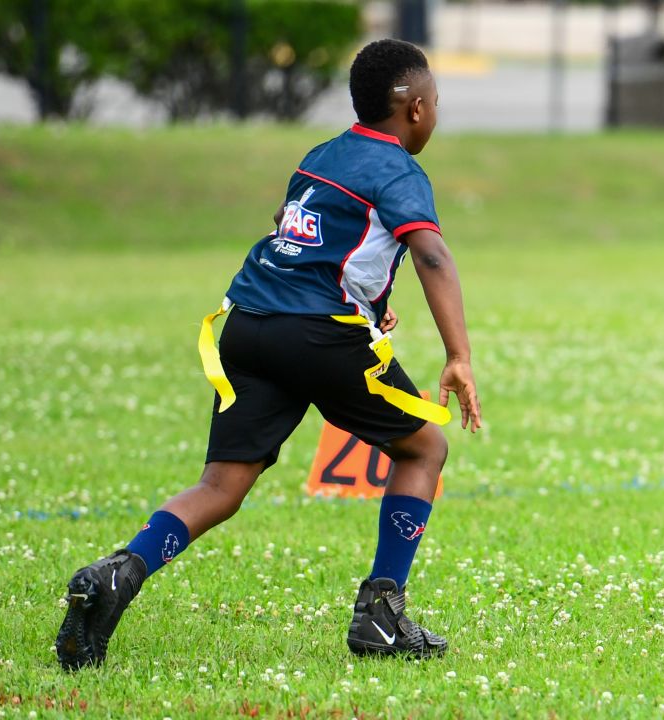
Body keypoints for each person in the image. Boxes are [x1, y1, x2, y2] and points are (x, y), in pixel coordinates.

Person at [54, 38, 481, 669]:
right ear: (415, 108)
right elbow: (432, 255)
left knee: (221, 485)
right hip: (317, 333)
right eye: (436, 103)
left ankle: (117, 573)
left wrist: (366, 301)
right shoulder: (398, 169)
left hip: (248, 323)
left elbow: (297, 228)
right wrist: (458, 355)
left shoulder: (321, 155)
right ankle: (381, 618)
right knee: (424, 447)